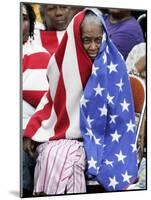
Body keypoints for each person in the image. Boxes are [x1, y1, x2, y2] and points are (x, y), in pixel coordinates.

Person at [23, 8, 138, 194]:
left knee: (67, 157)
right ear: (77, 37)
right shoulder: (62, 62)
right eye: (87, 40)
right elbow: (52, 98)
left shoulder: (114, 65)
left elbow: (120, 117)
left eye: (98, 40)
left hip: (107, 137)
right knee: (53, 155)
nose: (93, 47)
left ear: (105, 37)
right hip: (67, 134)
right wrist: (34, 126)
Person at [22, 3, 50, 197]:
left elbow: (42, 105)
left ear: (31, 24)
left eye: (23, 18)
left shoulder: (39, 56)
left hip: (26, 132)